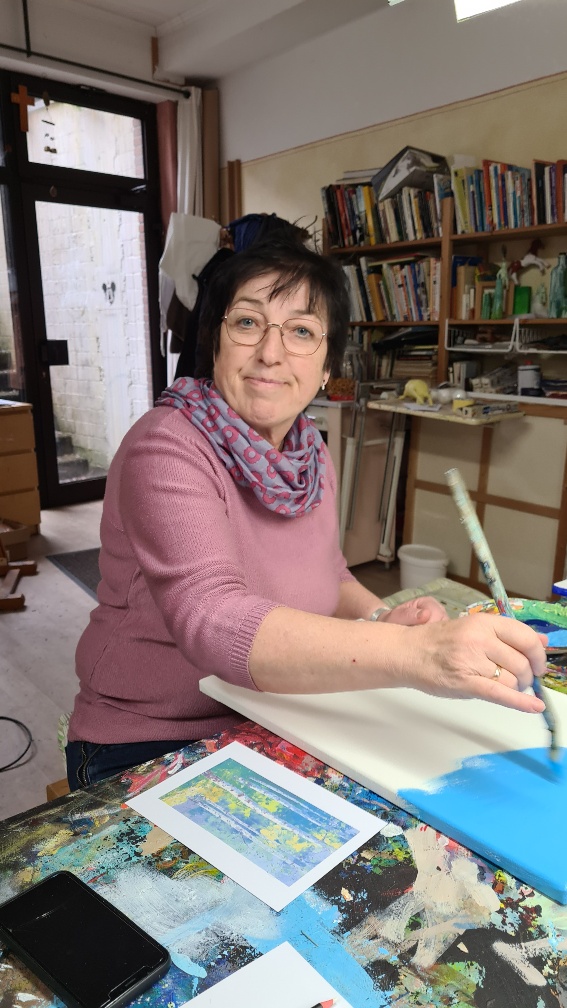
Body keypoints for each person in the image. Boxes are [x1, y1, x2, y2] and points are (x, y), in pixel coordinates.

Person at [66, 241, 547, 790]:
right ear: (216, 343)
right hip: (152, 738)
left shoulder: (307, 451)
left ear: (326, 367)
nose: (270, 353)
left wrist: (381, 618)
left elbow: (329, 572)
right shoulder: (167, 446)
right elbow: (212, 619)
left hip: (282, 713)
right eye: (248, 322)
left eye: (300, 331)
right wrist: (421, 652)